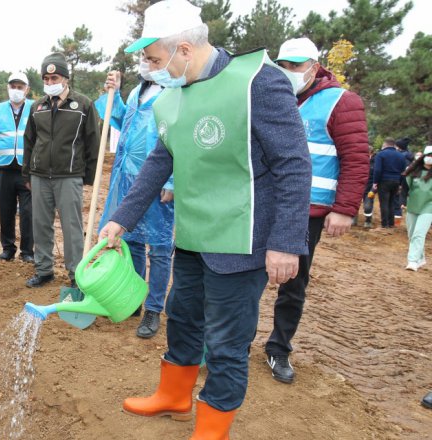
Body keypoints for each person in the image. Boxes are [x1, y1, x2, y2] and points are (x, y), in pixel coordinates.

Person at [98, 1, 311, 437]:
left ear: (184, 50)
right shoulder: (172, 95)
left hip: (243, 239)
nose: (150, 68)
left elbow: (293, 163)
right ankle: (175, 397)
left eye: (155, 59)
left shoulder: (258, 81)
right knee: (182, 317)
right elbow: (161, 161)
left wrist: (287, 241)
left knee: (227, 343)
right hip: (193, 234)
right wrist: (122, 219)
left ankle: (212, 427)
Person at [262, 37, 369, 384]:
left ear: (314, 65)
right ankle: (230, 341)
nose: (290, 71)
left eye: (296, 65)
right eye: (285, 65)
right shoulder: (272, 96)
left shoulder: (341, 101)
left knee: (293, 281)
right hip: (264, 202)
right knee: (242, 274)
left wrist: (345, 208)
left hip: (306, 212)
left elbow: (356, 159)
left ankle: (278, 348)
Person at [97, 64, 174, 340]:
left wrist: (172, 180)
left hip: (158, 179)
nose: (146, 63)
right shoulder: (137, 92)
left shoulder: (174, 90)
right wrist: (114, 94)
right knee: (133, 243)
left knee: (160, 247)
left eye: (151, 57)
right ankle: (134, 298)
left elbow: (178, 137)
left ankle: (154, 308)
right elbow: (120, 120)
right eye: (143, 57)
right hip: (127, 177)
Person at [23, 53, 100, 289]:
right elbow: (30, 140)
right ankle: (44, 270)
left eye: (54, 77)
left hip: (69, 176)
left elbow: (93, 141)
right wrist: (27, 172)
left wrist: (88, 176)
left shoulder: (83, 105)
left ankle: (76, 273)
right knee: (41, 224)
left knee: (71, 226)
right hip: (39, 176)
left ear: (65, 78)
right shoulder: (38, 106)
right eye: (46, 79)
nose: (49, 83)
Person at [0, 72, 35, 263]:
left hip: (27, 171)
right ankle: (8, 248)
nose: (16, 90)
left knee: (28, 212)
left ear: (27, 89)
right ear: (8, 88)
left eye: (20, 87)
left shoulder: (35, 108)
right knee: (6, 210)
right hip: (3, 170)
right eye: (13, 86)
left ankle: (27, 251)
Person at [402, 146, 432, 271]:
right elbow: (405, 188)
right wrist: (402, 201)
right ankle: (420, 259)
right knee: (412, 234)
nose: (430, 158)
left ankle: (412, 261)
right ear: (423, 157)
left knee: (419, 234)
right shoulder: (413, 172)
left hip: (428, 208)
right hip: (413, 206)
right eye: (429, 155)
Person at [373, 138, 407, 228]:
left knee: (384, 203)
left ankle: (384, 224)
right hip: (396, 181)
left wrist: (375, 181)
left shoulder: (381, 154)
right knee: (391, 202)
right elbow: (403, 172)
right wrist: (400, 183)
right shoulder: (401, 156)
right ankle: (391, 223)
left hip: (384, 181)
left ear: (385, 144)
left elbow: (377, 170)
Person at [362, 145, 376, 228]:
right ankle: (353, 219)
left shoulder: (375, 162)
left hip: (370, 186)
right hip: (359, 185)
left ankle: (368, 220)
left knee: (368, 204)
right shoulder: (359, 160)